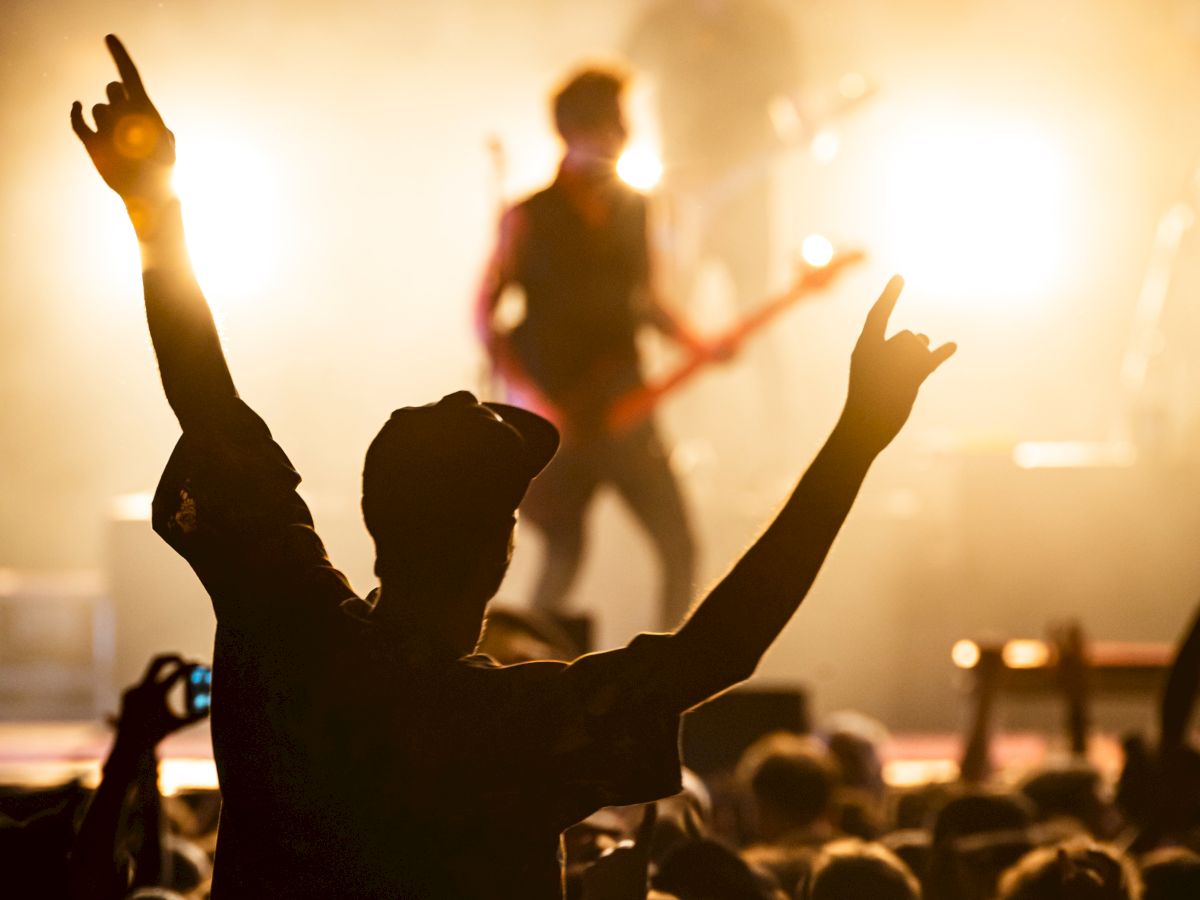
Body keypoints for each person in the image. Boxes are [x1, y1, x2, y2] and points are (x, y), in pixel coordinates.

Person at [73, 35, 953, 898]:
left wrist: (155, 211)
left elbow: (208, 402)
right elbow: (724, 644)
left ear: (382, 521)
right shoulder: (518, 727)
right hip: (585, 407)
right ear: (500, 548)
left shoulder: (290, 627)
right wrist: (856, 438)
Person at [476, 66, 715, 630]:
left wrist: (696, 343)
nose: (620, 135)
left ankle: (667, 678)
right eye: (609, 123)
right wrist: (532, 400)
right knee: (564, 551)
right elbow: (486, 317)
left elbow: (648, 300)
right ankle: (522, 672)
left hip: (626, 404)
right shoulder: (528, 215)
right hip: (561, 413)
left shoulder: (637, 209)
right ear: (575, 130)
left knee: (679, 545)